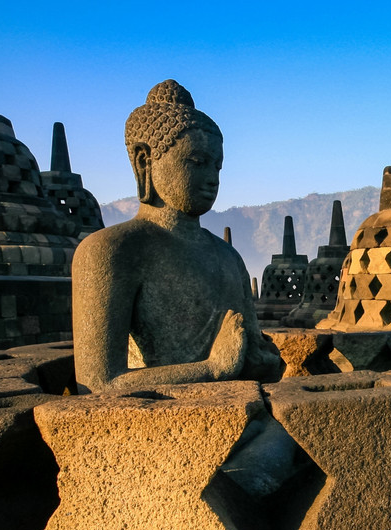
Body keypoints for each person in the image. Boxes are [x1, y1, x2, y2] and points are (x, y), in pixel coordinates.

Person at [72, 79, 281, 394]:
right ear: (145, 161)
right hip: (155, 424)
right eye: (196, 163)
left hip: (240, 412)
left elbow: (249, 357)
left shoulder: (228, 257)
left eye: (218, 167)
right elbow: (98, 385)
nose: (212, 179)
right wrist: (212, 369)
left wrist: (260, 359)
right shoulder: (110, 251)